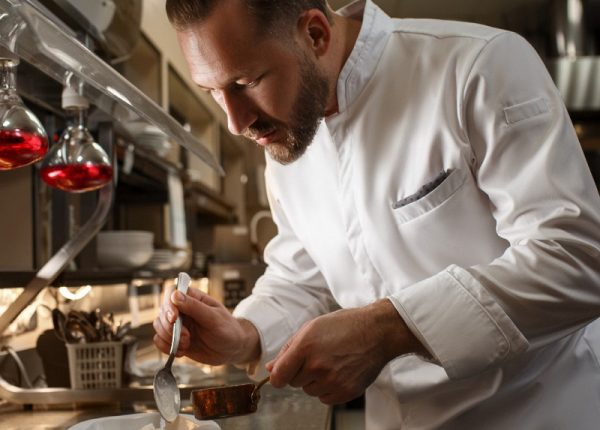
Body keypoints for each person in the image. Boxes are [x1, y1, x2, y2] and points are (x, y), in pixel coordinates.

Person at [153, 0, 600, 428]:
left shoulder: (477, 66)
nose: (235, 123)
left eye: (245, 82)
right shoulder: (286, 137)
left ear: (315, 34)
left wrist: (388, 329)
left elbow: (578, 257)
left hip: (532, 414)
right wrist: (245, 333)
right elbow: (301, 277)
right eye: (213, 92)